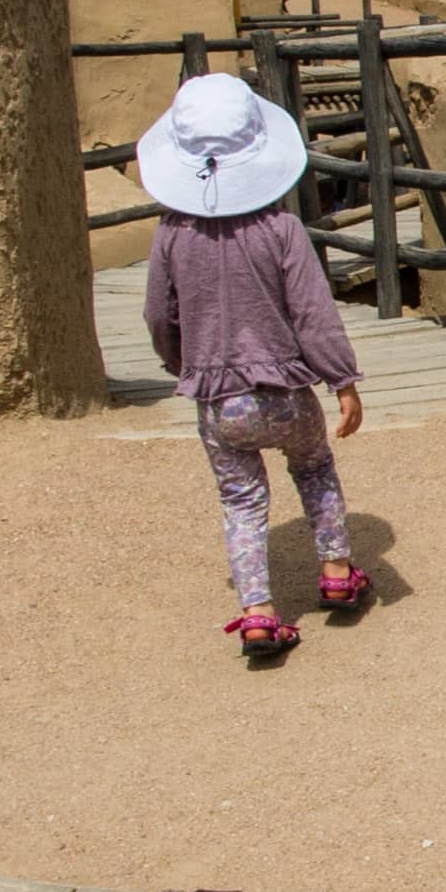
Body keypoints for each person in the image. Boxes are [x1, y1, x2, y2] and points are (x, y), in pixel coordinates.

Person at [136, 73, 371, 657]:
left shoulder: (172, 235)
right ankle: (338, 573)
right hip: (287, 391)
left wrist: (181, 363)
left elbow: (157, 314)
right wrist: (342, 380)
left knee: (241, 499)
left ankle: (260, 612)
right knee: (314, 469)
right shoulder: (283, 230)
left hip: (220, 401)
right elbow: (314, 313)